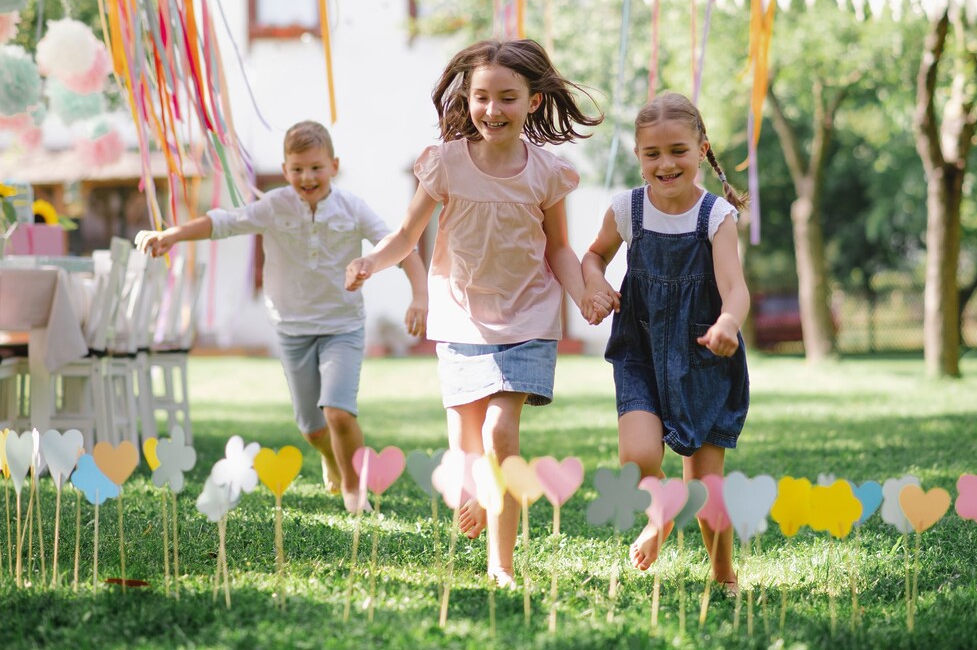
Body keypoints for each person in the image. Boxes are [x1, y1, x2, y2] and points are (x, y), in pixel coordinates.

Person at [345, 39, 615, 588]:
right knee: (466, 451)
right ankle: (472, 489)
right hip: (461, 318)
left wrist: (583, 292)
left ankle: (501, 563)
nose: (493, 110)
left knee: (500, 435)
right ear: (466, 99)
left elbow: (559, 249)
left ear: (534, 101)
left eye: (508, 98)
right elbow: (406, 235)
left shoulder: (546, 173)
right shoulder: (443, 163)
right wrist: (372, 262)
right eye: (482, 97)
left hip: (528, 319)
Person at [135, 121, 428, 513]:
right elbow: (223, 222)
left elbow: (401, 246)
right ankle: (329, 457)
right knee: (312, 427)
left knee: (338, 412)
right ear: (286, 169)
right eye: (297, 169)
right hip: (292, 330)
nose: (307, 177)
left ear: (334, 165)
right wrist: (173, 233)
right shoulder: (274, 206)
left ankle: (356, 495)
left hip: (342, 327)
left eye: (316, 168)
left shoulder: (352, 207)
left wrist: (420, 295)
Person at [582, 92, 750, 592]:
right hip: (640, 350)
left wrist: (728, 323)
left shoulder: (715, 216)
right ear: (638, 156)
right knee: (638, 459)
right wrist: (595, 284)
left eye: (678, 150)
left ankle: (723, 574)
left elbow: (735, 286)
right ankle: (660, 512)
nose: (666, 163)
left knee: (704, 488)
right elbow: (593, 256)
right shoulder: (627, 209)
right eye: (652, 153)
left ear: (701, 149)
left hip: (702, 356)